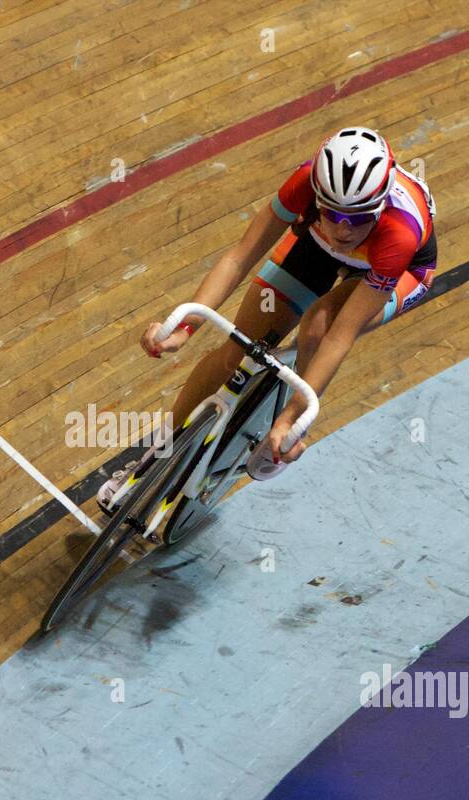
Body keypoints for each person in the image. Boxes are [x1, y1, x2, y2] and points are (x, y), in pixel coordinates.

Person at [98, 126, 438, 512]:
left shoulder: (400, 233)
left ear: (377, 206)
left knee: (320, 325)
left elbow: (342, 336)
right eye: (334, 212)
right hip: (316, 246)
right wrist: (184, 327)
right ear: (318, 195)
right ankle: (155, 455)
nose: (344, 228)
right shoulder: (304, 185)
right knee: (236, 350)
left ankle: (285, 424)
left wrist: (294, 418)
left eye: (357, 217)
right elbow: (238, 258)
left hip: (397, 268)